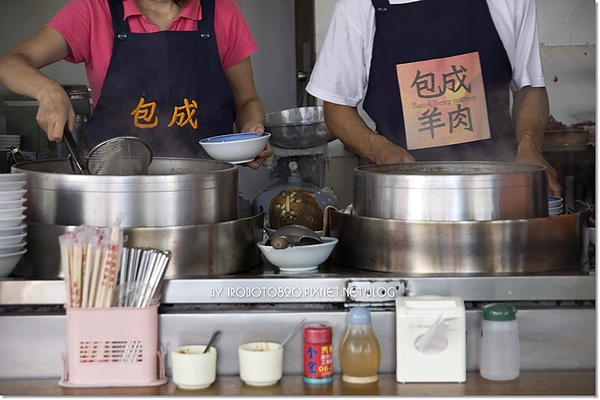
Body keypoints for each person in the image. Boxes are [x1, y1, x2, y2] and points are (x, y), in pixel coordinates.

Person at [307, 0, 561, 195]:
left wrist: (529, 148)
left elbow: (529, 87)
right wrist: (381, 151)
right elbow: (336, 106)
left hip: (498, 188)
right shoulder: (358, 5)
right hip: (403, 193)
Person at [0, 0, 271, 169]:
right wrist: (47, 91)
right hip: (115, 197)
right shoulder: (95, 9)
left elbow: (247, 101)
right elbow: (11, 62)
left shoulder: (221, 11)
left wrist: (251, 135)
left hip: (206, 195)